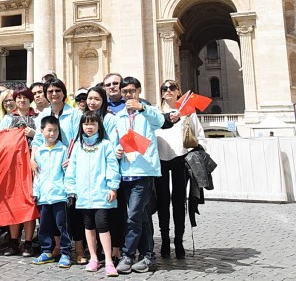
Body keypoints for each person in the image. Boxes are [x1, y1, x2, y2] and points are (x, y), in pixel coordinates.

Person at [113, 77, 164, 274]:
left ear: (139, 91)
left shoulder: (147, 112)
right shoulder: (119, 116)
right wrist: (118, 149)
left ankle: (128, 254)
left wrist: (142, 108)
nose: (128, 95)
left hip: (144, 171)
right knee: (141, 216)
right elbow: (118, 140)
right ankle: (148, 256)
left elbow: (160, 122)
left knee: (133, 216)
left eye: (131, 91)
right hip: (126, 171)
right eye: (124, 91)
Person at [65, 110, 121, 277]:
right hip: (83, 195)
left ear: (99, 126)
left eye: (93, 124)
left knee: (103, 225)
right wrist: (71, 189)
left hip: (101, 193)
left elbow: (112, 167)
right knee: (88, 227)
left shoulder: (105, 145)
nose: (89, 127)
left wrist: (113, 187)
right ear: (81, 126)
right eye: (86, 124)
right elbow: (72, 169)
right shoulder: (77, 146)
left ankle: (109, 260)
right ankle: (94, 258)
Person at [155, 80, 206, 259]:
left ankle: (178, 240)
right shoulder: (155, 112)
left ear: (179, 91)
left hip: (181, 159)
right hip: (160, 160)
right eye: (165, 88)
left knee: (179, 202)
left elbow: (199, 135)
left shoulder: (188, 112)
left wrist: (196, 152)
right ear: (161, 93)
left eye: (172, 88)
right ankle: (165, 240)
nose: (168, 91)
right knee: (162, 201)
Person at [0, 87, 38, 256]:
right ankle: (14, 241)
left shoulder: (38, 117)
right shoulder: (7, 119)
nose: (22, 100)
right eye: (18, 98)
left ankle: (28, 241)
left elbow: (47, 137)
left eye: (25, 97)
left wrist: (34, 133)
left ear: (30, 99)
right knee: (14, 202)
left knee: (30, 202)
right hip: (13, 166)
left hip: (32, 165)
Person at [31, 116, 71, 268]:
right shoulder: (39, 151)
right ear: (42, 131)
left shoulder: (63, 149)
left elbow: (67, 173)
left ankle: (65, 252)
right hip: (43, 196)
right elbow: (37, 174)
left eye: (55, 130)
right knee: (44, 226)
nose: (52, 133)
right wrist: (35, 191)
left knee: (62, 226)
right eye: (49, 130)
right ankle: (47, 251)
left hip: (59, 194)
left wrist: (69, 192)